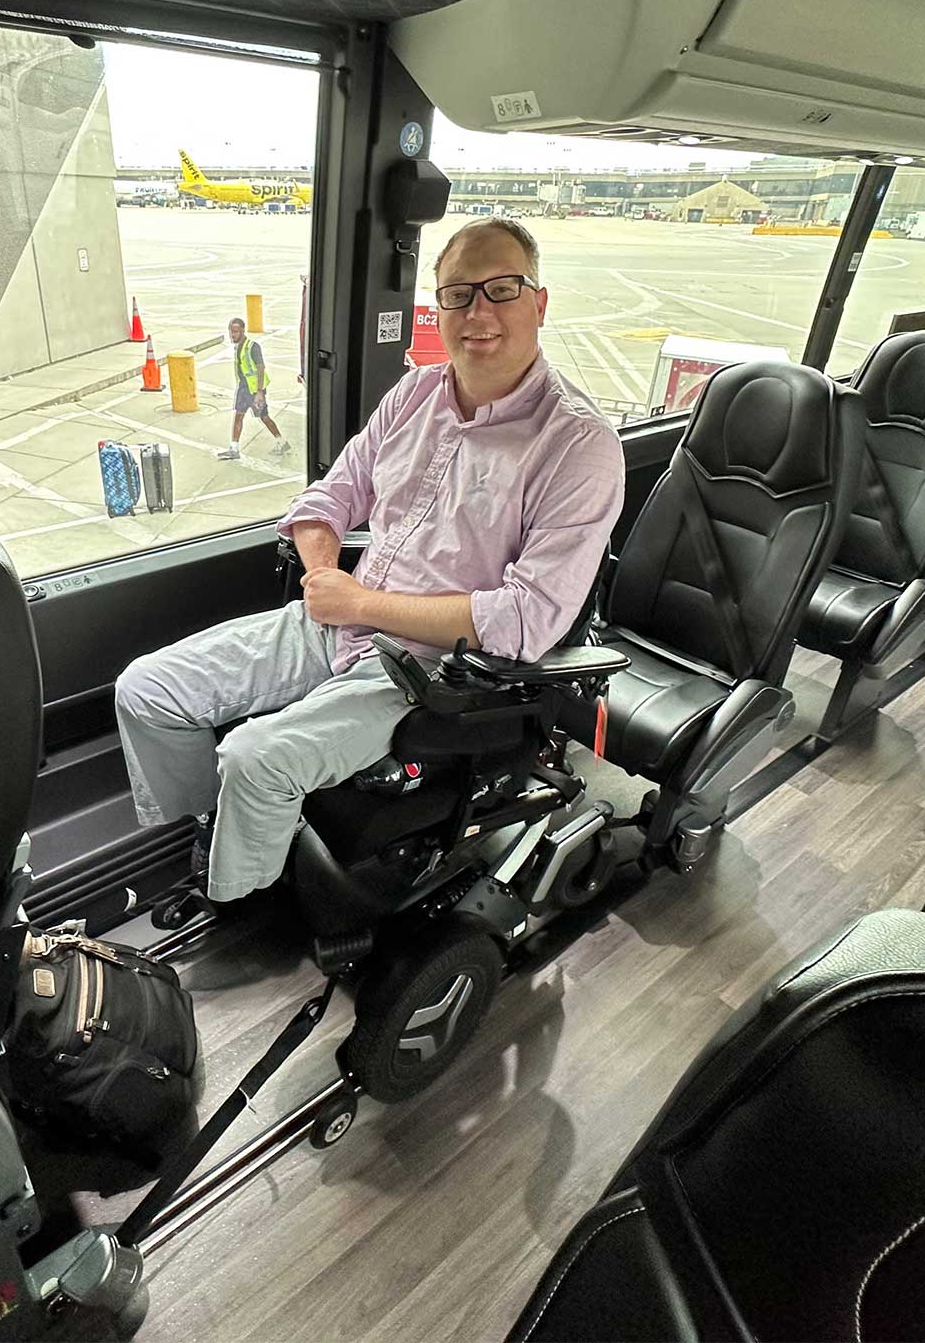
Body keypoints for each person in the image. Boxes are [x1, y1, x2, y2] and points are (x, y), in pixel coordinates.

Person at [116, 218, 625, 904]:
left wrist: (359, 604)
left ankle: (242, 901)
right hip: (337, 621)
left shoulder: (577, 445)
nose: (478, 311)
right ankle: (220, 824)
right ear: (438, 308)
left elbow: (525, 621)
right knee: (146, 690)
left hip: (431, 670)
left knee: (254, 758)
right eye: (458, 294)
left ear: (539, 302)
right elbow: (329, 496)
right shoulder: (415, 394)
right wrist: (326, 573)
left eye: (502, 289)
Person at [215, 317, 290, 460]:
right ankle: (234, 448)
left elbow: (261, 367)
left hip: (254, 390)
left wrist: (259, 392)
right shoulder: (239, 346)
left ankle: (281, 441)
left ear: (243, 331)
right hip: (244, 388)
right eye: (231, 331)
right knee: (239, 416)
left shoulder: (252, 346)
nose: (233, 335)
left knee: (264, 417)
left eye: (236, 331)